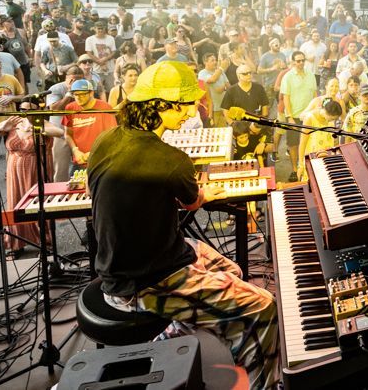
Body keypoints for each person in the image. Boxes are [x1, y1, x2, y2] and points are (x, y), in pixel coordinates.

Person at [87, 61, 278, 387]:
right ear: (160, 107)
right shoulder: (169, 159)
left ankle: (175, 332)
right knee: (263, 306)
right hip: (143, 281)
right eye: (185, 106)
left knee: (230, 270)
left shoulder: (107, 140)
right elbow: (190, 201)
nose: (191, 113)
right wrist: (205, 192)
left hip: (123, 261)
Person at [0, 103, 63, 257]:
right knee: (15, 204)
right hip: (14, 171)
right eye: (22, 109)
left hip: (36, 170)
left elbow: (59, 132)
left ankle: (45, 241)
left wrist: (35, 128)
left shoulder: (42, 123)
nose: (26, 112)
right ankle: (16, 244)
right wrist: (0, 126)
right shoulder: (13, 123)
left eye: (30, 109)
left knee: (38, 203)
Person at [61, 79, 117, 174]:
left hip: (101, 161)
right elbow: (67, 134)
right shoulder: (70, 108)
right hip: (79, 161)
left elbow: (112, 136)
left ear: (91, 93)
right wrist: (75, 151)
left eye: (82, 94)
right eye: (76, 94)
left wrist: (94, 153)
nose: (79, 97)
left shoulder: (104, 107)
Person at [296, 99, 343, 181]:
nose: (332, 121)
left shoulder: (330, 121)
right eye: (332, 118)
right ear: (326, 112)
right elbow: (302, 143)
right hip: (311, 159)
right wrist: (300, 165)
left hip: (325, 158)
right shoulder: (310, 118)